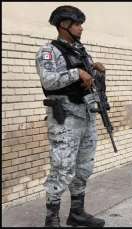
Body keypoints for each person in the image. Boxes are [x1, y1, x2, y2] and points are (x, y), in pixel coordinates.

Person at [35, 5, 106, 227]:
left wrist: (95, 71)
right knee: (62, 167)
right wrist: (77, 72)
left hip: (86, 115)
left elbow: (87, 82)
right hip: (64, 117)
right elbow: (48, 80)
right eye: (77, 24)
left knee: (84, 166)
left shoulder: (81, 51)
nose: (81, 28)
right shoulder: (49, 51)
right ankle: (52, 218)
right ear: (63, 25)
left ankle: (76, 213)